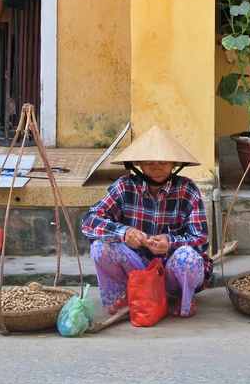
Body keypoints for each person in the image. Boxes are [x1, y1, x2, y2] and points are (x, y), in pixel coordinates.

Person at [81, 126, 212, 318]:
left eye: (163, 162)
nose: (156, 167)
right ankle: (127, 295)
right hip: (138, 269)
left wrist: (170, 242)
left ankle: (184, 296)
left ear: (174, 163)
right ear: (139, 164)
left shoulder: (187, 189)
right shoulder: (125, 186)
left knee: (188, 257)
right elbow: (89, 220)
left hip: (170, 271)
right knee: (100, 248)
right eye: (149, 162)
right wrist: (123, 233)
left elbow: (201, 239)